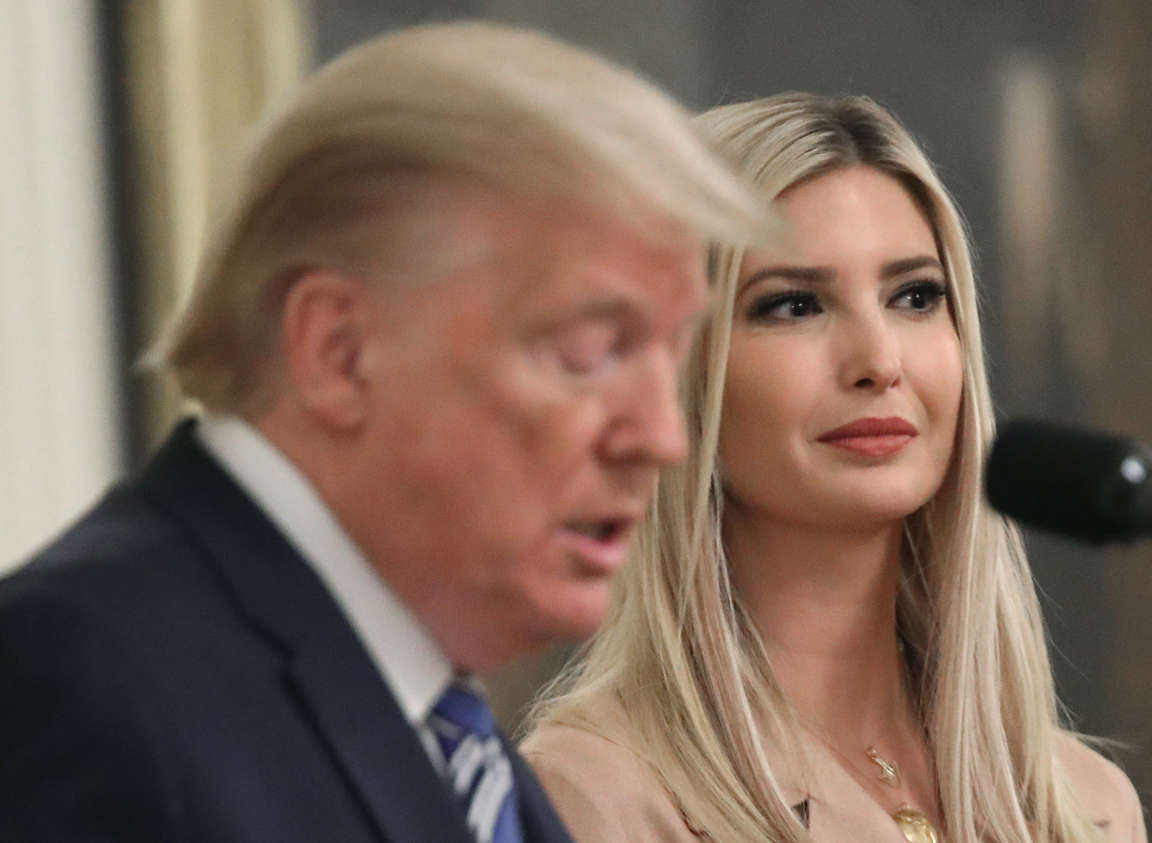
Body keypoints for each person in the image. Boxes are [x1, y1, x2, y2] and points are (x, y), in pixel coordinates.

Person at [0, 22, 771, 843]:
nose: (660, 436)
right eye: (589, 350)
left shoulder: (459, 745)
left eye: (673, 355)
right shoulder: (85, 682)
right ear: (339, 352)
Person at [521, 93, 1148, 843]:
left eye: (915, 296)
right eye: (793, 306)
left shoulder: (1088, 805)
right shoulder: (590, 799)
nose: (879, 361)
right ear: (672, 377)